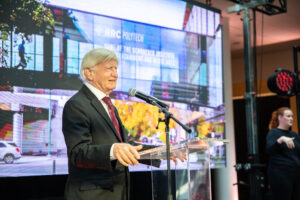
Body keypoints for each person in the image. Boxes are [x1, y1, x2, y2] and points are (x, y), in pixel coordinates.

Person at [62, 48, 147, 200]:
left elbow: (125, 145)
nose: (115, 74)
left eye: (116, 68)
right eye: (109, 68)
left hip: (118, 192)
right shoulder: (76, 105)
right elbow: (78, 153)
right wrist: (113, 150)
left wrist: (164, 152)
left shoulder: (109, 105)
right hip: (93, 195)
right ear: (89, 73)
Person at [266, 107, 300, 200]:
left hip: (296, 173)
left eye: (292, 116)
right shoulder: (273, 133)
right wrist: (281, 140)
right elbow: (269, 150)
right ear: (280, 117)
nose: (291, 118)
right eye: (288, 116)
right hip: (281, 174)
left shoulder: (294, 135)